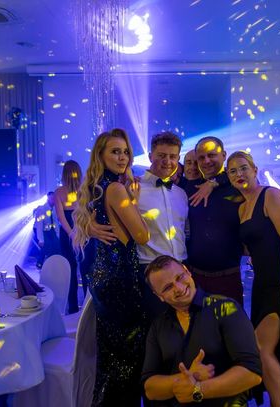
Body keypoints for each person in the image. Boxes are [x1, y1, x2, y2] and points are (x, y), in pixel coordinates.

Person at [72, 128, 149, 406]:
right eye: (115, 151)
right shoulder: (116, 190)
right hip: (121, 281)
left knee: (111, 359)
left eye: (126, 152)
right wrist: (134, 201)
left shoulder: (96, 189)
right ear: (101, 155)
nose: (123, 157)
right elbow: (142, 235)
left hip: (102, 278)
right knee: (127, 361)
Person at [227, 151, 280, 406]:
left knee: (262, 348)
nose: (239, 174)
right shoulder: (242, 208)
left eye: (243, 168)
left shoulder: (270, 195)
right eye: (232, 171)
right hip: (262, 284)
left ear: (255, 170)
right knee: (268, 348)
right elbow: (252, 246)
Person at [142, 255, 262, 406]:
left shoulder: (226, 308)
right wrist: (190, 376)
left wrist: (197, 390)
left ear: (187, 271)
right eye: (167, 287)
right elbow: (149, 388)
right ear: (159, 296)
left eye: (180, 277)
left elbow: (252, 373)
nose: (178, 288)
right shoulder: (158, 326)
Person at [183, 137, 244, 304]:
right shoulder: (190, 187)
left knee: (231, 320)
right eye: (201, 157)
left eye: (211, 155)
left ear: (224, 155)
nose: (206, 161)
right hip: (195, 278)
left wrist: (215, 182)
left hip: (228, 277)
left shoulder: (238, 185)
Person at [137, 131, 189, 320]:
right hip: (151, 271)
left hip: (182, 270)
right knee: (156, 329)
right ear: (150, 156)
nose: (167, 161)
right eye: (161, 155)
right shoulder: (134, 189)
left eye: (173, 156)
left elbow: (185, 232)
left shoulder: (181, 194)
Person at [54, 160, 83, 314]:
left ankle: (72, 308)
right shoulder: (84, 190)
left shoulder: (59, 192)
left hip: (67, 233)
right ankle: (88, 308)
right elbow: (84, 213)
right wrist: (78, 232)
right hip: (82, 230)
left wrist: (71, 233)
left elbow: (61, 217)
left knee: (70, 270)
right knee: (85, 269)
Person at [34, 191, 60, 268]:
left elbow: (56, 222)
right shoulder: (41, 209)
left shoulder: (55, 209)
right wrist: (41, 240)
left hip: (50, 229)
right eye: (52, 198)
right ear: (48, 199)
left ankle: (53, 263)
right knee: (46, 244)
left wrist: (57, 235)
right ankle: (40, 263)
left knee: (56, 244)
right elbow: (39, 225)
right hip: (40, 229)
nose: (54, 200)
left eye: (54, 199)